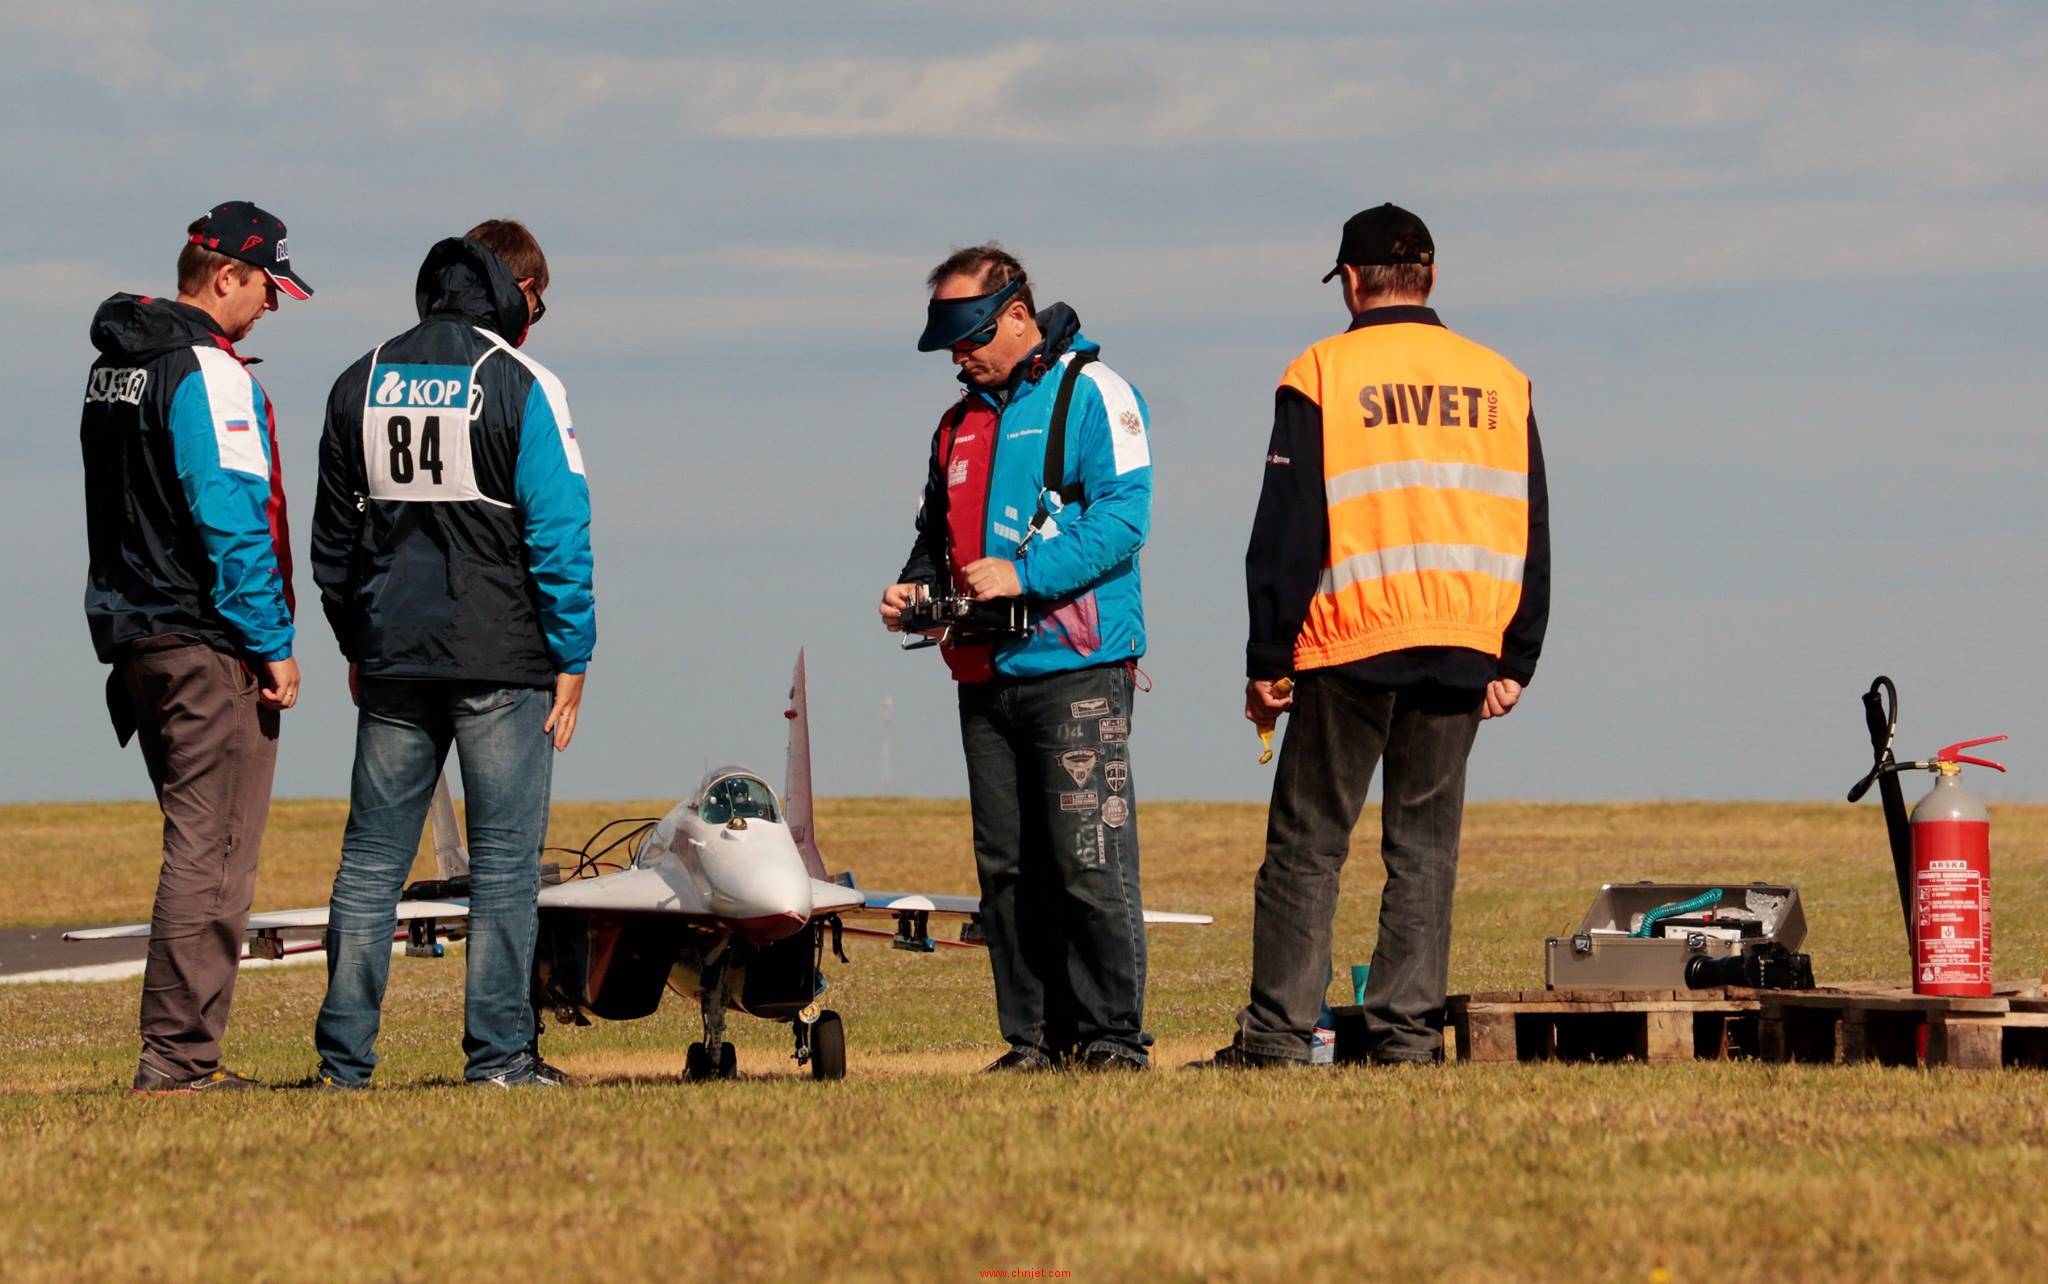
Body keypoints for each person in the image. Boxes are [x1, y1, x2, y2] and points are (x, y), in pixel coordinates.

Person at [1199, 204, 1550, 1068]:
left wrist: (1267, 658)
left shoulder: (1322, 370)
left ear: (1351, 282)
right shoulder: (1502, 380)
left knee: (1307, 849)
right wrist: (1517, 656)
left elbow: (1287, 526)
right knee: (1425, 853)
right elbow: (1532, 524)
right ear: (1429, 278)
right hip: (1465, 645)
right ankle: (1406, 1038)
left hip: (1348, 640)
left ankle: (1278, 1039)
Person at [307, 220, 594, 1089]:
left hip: (393, 658)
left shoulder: (358, 378)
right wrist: (573, 654)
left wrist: (358, 639)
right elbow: (559, 533)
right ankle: (500, 1058)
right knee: (505, 867)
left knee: (368, 866)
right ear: (516, 296)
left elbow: (332, 540)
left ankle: (342, 1066)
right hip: (504, 662)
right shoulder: (524, 382)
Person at [877, 245, 1155, 1071]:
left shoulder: (1096, 394)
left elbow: (1124, 519)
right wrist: (913, 591)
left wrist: (1023, 575)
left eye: (967, 337)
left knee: (1088, 860)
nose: (958, 357)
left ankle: (1111, 1040)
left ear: (1017, 315)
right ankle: (1033, 1041)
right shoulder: (956, 424)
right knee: (1005, 871)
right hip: (982, 676)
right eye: (948, 345)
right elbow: (938, 536)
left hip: (1078, 670)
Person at [80, 201, 312, 1094]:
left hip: (135, 636)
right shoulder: (207, 374)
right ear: (226, 277)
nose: (271, 308)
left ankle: (179, 1056)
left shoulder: (115, 367)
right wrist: (273, 642)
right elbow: (231, 519)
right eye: (267, 288)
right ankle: (178, 1062)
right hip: (206, 639)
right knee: (213, 854)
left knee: (194, 844)